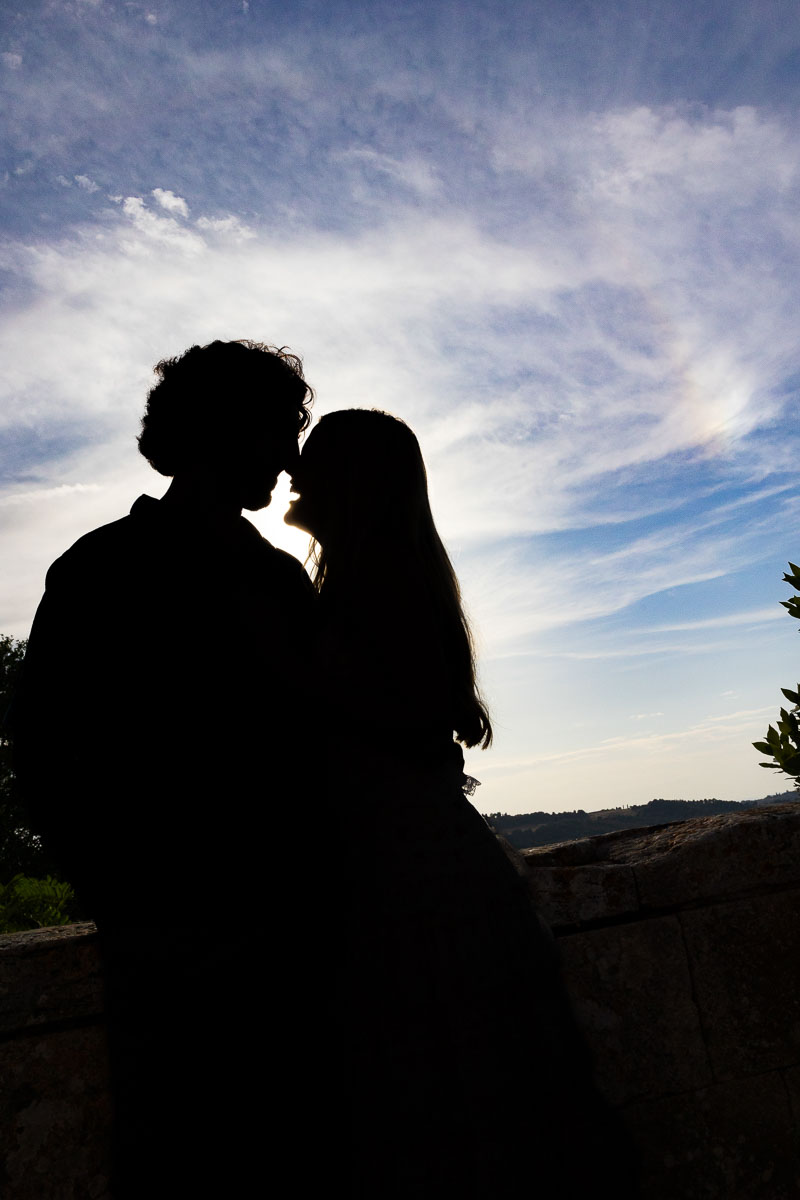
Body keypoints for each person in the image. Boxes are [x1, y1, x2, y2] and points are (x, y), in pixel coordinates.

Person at [285, 408, 639, 1198]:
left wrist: (290, 681)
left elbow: (404, 714)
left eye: (312, 459)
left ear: (352, 482)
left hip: (409, 872)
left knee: (448, 1085)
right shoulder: (378, 573)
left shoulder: (379, 580)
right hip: (409, 857)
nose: (294, 472)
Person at [11, 339, 316, 1196]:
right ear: (221, 430)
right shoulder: (99, 570)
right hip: (171, 957)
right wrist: (133, 900)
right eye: (275, 431)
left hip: (288, 947)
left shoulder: (278, 578)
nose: (289, 456)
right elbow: (43, 751)